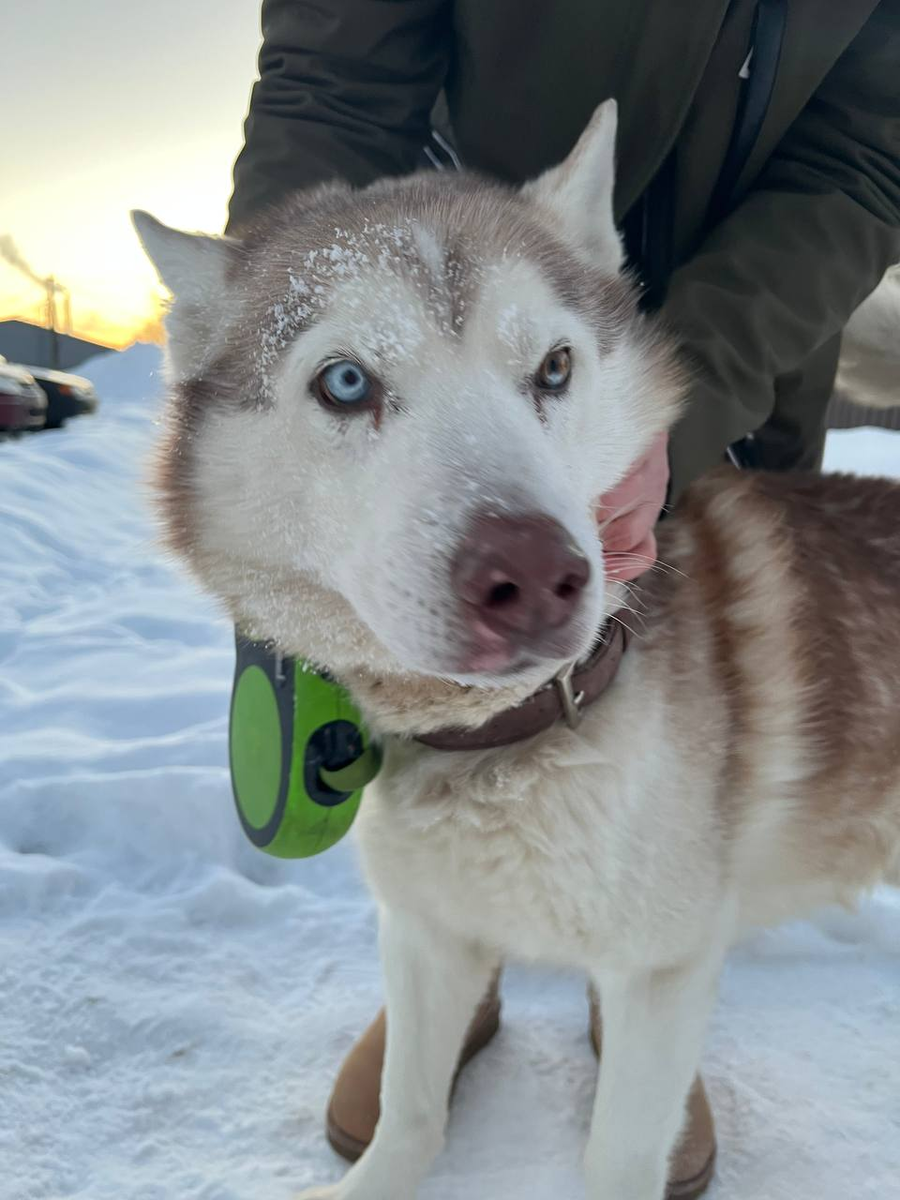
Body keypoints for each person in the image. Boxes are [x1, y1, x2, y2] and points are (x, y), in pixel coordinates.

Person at [226, 3, 900, 1195]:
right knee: (431, 794)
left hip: (723, 351)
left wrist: (676, 402)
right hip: (444, 275)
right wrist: (285, 352)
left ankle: (630, 997)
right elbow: (331, 80)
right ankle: (446, 1013)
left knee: (645, 860)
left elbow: (868, 151)